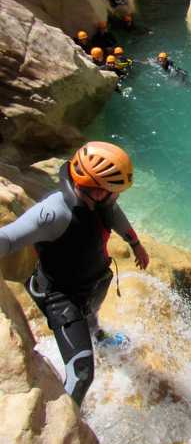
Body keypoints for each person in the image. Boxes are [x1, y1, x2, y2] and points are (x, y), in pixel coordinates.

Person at [0, 142, 150, 405]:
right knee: (82, 374)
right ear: (93, 187)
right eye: (112, 191)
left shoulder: (100, 201)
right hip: (61, 297)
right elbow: (9, 239)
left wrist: (135, 244)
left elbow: (115, 215)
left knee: (92, 314)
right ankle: (71, 419)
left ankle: (98, 337)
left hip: (90, 284)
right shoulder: (54, 212)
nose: (116, 197)